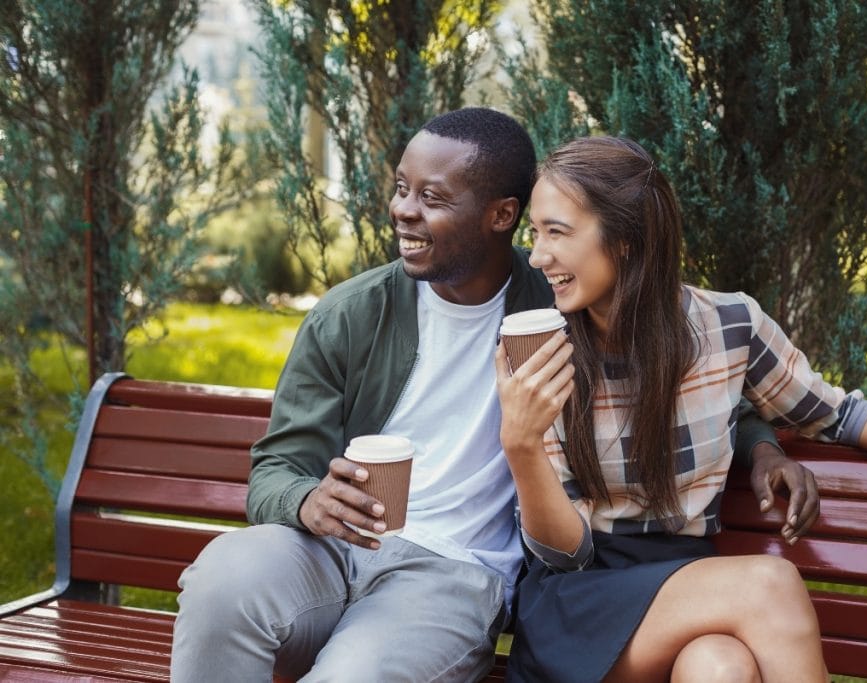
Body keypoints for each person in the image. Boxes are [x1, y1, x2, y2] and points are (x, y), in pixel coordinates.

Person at [169, 110, 808, 682]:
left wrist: (762, 447)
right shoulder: (351, 315)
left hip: (452, 573)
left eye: (431, 197)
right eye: (401, 189)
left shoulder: (563, 302)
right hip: (325, 553)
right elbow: (273, 470)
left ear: (502, 215)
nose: (402, 210)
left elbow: (685, 373)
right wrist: (308, 499)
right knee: (222, 581)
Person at [495, 135, 867, 683]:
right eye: (536, 232)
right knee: (770, 584)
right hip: (579, 601)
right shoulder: (540, 350)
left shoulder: (728, 326)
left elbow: (837, 414)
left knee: (720, 667)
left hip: (689, 583)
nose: (537, 255)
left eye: (555, 231)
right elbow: (564, 554)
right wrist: (521, 444)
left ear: (626, 238)